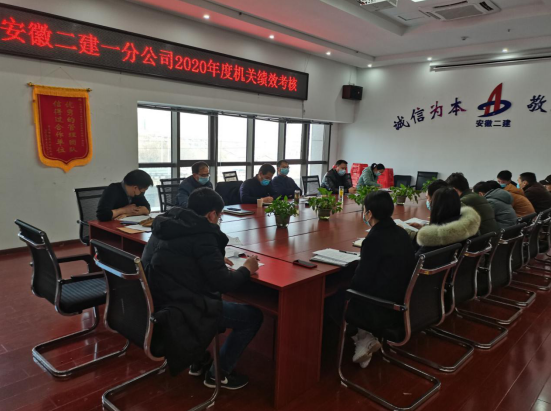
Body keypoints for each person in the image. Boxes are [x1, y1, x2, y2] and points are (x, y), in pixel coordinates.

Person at [141, 188, 263, 390]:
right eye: (219, 216)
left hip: (159, 302)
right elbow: (224, 284)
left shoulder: (167, 226)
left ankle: (196, 360)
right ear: (212, 214)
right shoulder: (202, 236)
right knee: (253, 317)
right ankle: (219, 374)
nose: (218, 220)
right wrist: (247, 269)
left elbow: (178, 259)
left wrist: (213, 259)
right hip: (185, 311)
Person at [346, 191, 416, 368]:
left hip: (383, 307)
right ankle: (364, 339)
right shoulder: (402, 233)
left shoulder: (373, 239)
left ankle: (364, 338)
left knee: (338, 297)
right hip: (402, 299)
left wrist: (348, 287)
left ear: (369, 213)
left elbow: (361, 281)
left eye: (364, 210)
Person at [414, 187, 481, 256]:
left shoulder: (434, 238)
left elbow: (415, 260)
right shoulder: (470, 226)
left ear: (436, 206)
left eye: (431, 200)